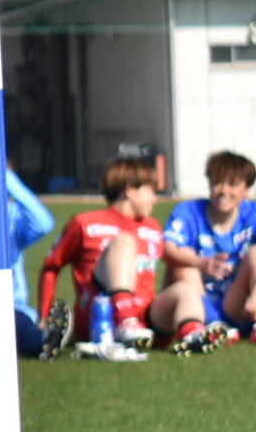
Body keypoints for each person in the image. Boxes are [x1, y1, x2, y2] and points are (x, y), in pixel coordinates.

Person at [35, 155, 164, 362]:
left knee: (185, 287)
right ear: (130, 190)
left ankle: (191, 331)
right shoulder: (85, 223)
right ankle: (125, 320)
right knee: (125, 242)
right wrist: (43, 317)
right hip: (99, 319)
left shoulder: (153, 227)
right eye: (151, 191)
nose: (155, 199)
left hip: (146, 322)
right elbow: (51, 266)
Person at [162, 150, 256, 345]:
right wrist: (200, 262)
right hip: (197, 302)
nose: (223, 190)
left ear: (246, 190)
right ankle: (211, 325)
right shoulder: (189, 211)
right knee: (183, 257)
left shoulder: (253, 212)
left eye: (232, 184)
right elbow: (167, 249)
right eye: (217, 182)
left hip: (237, 302)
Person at [4, 168, 57, 357]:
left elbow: (43, 224)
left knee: (18, 324)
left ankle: (44, 342)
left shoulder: (8, 214)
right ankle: (44, 340)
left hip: (12, 307)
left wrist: (3, 175)